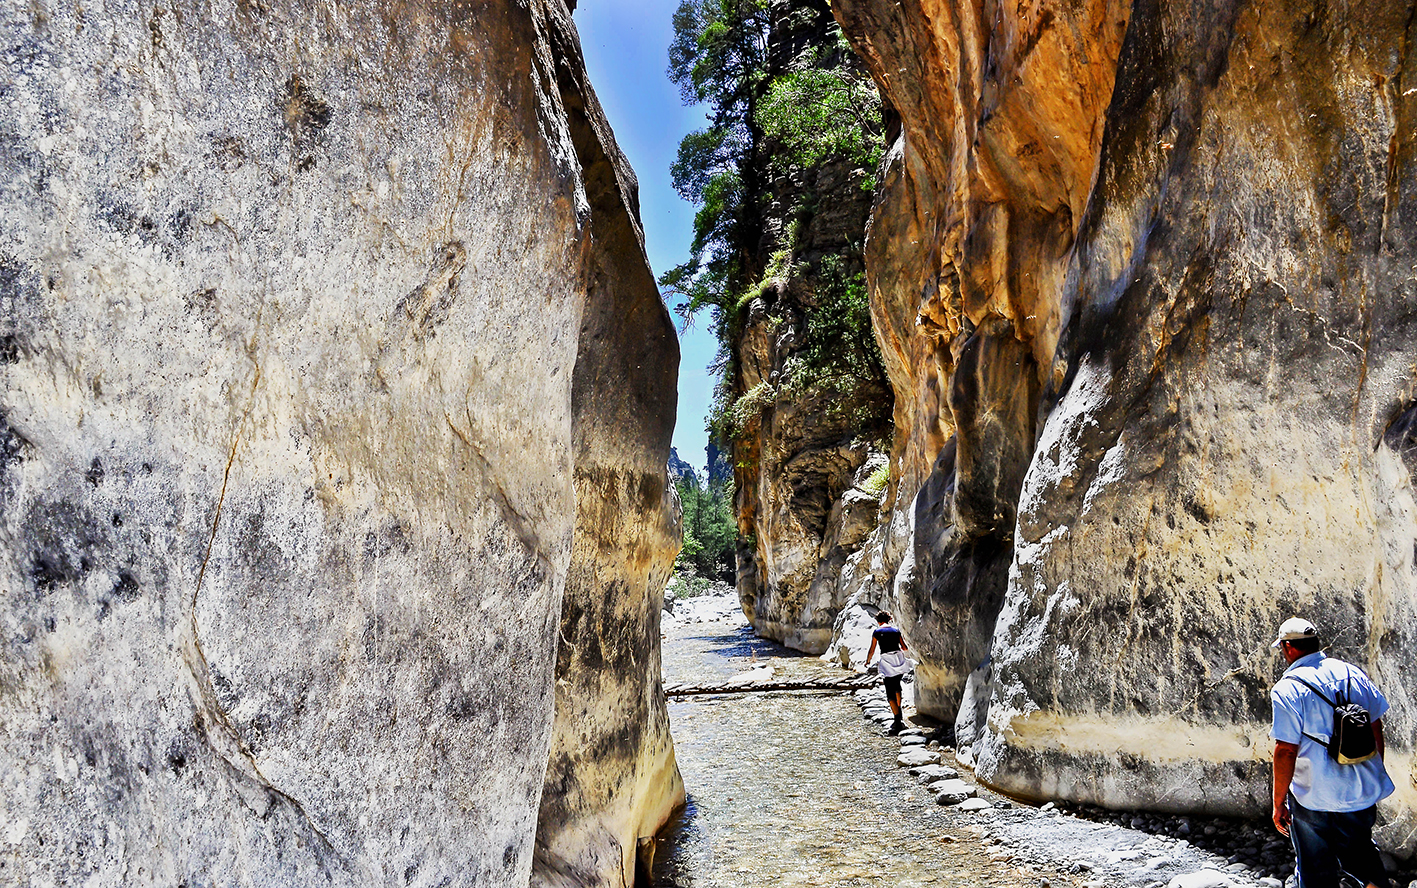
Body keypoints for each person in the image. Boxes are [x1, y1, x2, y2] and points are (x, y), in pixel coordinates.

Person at [1270, 617, 1394, 888]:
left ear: (1288, 647)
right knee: (1362, 857)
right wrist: (1372, 771)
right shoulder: (1351, 673)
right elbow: (1375, 726)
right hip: (1360, 788)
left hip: (1314, 794)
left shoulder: (1287, 688)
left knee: (1315, 866)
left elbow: (1286, 751)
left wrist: (1278, 803)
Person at [865, 611, 911, 735]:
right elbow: (904, 647)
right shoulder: (896, 630)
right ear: (888, 619)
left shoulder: (877, 632)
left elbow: (872, 649)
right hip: (898, 660)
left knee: (889, 690)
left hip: (887, 661)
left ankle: (897, 719)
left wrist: (867, 661)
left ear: (878, 621)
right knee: (897, 685)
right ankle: (899, 711)